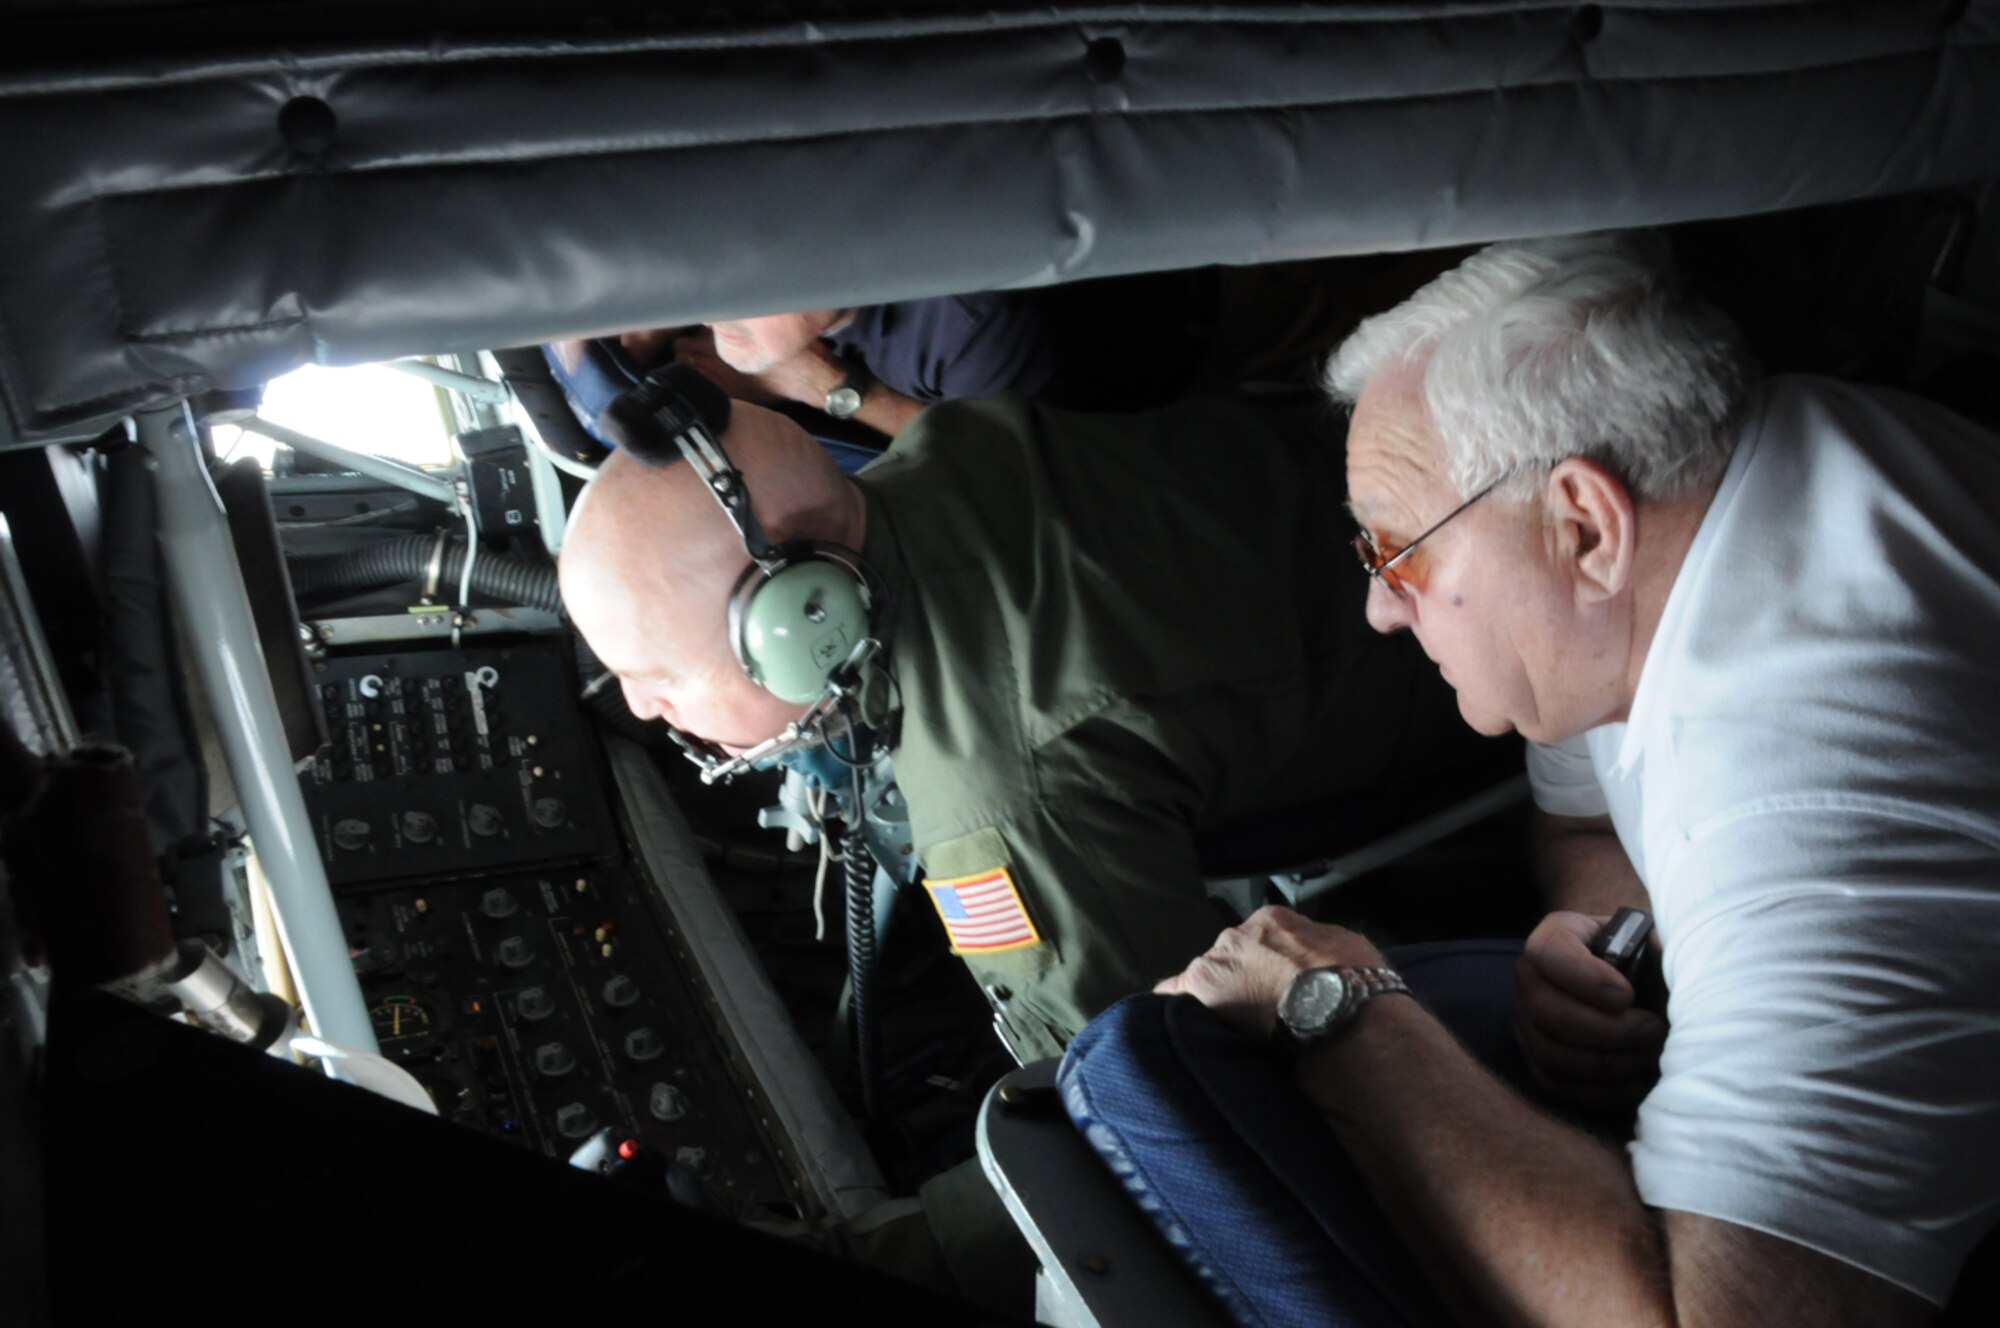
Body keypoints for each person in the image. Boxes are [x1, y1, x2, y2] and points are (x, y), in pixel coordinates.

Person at [1113, 230, 2000, 1324]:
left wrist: (1338, 1006)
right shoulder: (1705, 504)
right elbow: (1583, 808)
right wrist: (1606, 923)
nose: (1379, 608)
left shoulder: (1810, 812)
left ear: (1582, 521)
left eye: (1398, 553)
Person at [556, 384, 1487, 1064]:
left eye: (656, 674)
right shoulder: (955, 444)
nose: (643, 705)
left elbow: (1153, 1078)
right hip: (1414, 479)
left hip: (1459, 682)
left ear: (804, 618)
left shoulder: (998, 803)